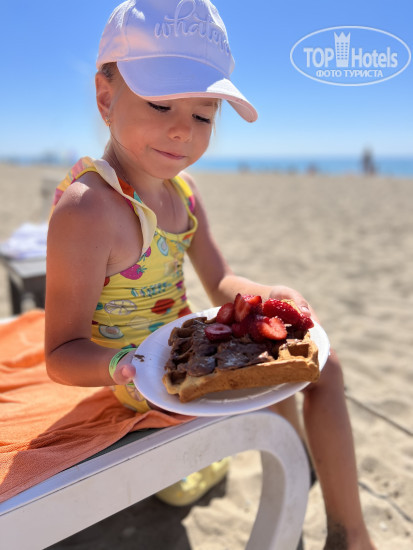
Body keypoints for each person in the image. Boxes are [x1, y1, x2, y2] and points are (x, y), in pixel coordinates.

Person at [45, 1, 376, 548]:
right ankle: (293, 456)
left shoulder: (183, 193)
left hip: (190, 351)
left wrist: (271, 295)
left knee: (317, 361)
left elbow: (219, 281)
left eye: (203, 115)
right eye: (160, 104)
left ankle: (346, 528)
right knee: (275, 372)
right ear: (106, 96)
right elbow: (61, 353)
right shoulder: (88, 209)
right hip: (133, 381)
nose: (182, 131)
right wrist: (122, 365)